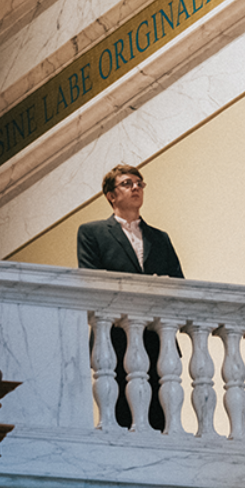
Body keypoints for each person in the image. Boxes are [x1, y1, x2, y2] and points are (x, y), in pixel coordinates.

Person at [77, 164, 183, 431]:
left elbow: (179, 285)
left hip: (157, 337)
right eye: (127, 183)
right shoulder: (93, 233)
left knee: (162, 415)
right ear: (111, 195)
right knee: (123, 413)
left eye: (139, 183)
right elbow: (93, 281)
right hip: (115, 337)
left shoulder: (160, 238)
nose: (136, 187)